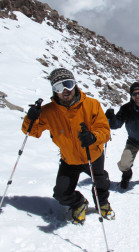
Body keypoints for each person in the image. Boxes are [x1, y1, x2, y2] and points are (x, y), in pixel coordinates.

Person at [22, 68, 114, 225]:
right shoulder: (49, 111)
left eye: (68, 84)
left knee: (101, 182)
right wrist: (30, 118)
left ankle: (102, 203)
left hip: (92, 154)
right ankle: (79, 202)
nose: (65, 90)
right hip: (69, 159)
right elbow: (32, 131)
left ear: (75, 85)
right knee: (61, 194)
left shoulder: (91, 105)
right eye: (59, 87)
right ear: (54, 90)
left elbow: (105, 131)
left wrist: (93, 137)